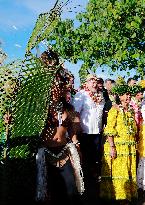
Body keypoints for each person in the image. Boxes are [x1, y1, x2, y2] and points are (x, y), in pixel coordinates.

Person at [36, 51, 84, 204]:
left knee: (70, 191)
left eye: (62, 84)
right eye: (57, 84)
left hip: (64, 151)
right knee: (51, 192)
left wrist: (77, 146)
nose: (62, 87)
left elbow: (71, 131)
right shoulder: (39, 108)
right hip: (46, 153)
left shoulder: (68, 108)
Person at [100, 83, 138, 204]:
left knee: (127, 171)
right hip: (117, 145)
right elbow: (109, 130)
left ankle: (128, 194)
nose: (128, 96)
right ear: (119, 97)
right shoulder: (114, 109)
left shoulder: (130, 110)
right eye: (125, 94)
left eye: (129, 94)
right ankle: (121, 197)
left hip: (129, 145)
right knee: (119, 172)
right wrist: (112, 147)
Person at [72, 74, 105, 191]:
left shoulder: (100, 95)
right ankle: (86, 184)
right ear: (85, 83)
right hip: (85, 132)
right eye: (91, 81)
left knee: (96, 156)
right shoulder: (80, 95)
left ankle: (94, 179)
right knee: (86, 158)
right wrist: (77, 130)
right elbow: (75, 114)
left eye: (95, 81)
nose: (94, 83)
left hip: (98, 131)